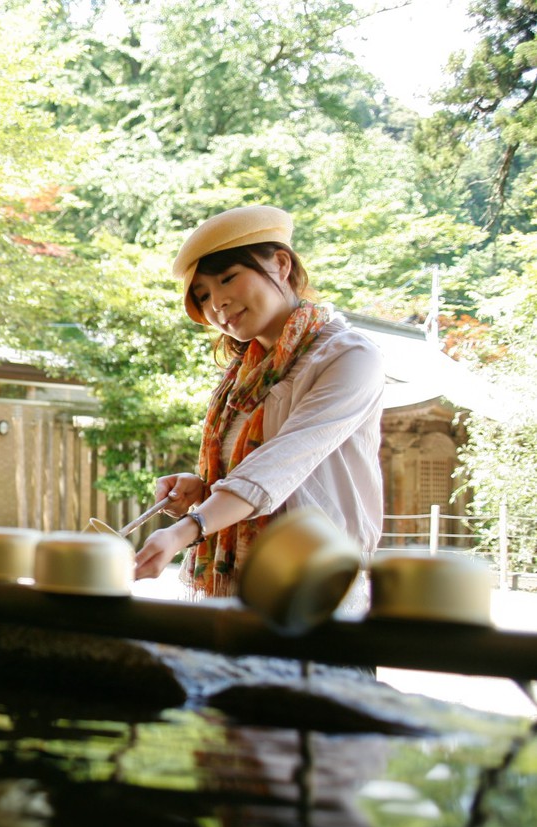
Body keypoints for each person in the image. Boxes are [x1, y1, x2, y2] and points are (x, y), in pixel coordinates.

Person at [133, 205, 384, 599]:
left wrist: (188, 529)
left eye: (228, 278)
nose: (217, 304)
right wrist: (203, 488)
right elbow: (248, 470)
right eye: (203, 296)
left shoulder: (348, 357)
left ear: (281, 264)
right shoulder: (242, 378)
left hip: (314, 585)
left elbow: (279, 465)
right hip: (238, 586)